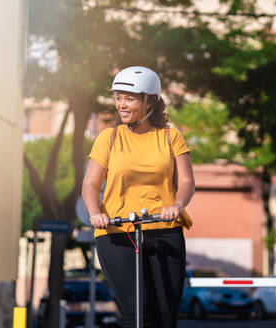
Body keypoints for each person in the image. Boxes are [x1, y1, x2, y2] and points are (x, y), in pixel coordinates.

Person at [82, 66, 195, 328]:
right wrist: (95, 212)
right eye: (118, 97)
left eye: (129, 98)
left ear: (150, 102)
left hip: (164, 229)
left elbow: (186, 181)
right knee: (138, 315)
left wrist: (177, 205)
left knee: (166, 318)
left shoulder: (170, 137)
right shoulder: (108, 139)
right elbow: (90, 185)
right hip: (116, 233)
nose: (121, 104)